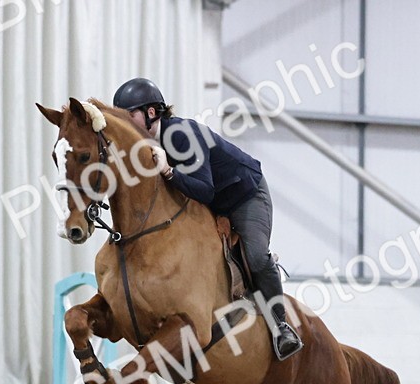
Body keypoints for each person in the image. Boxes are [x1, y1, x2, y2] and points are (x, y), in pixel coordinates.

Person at [112, 77, 303, 361]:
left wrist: (168, 172)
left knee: (256, 256)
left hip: (245, 195)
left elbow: (205, 188)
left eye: (130, 115)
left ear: (151, 113)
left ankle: (282, 326)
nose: (125, 123)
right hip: (213, 202)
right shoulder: (143, 146)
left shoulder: (181, 134)